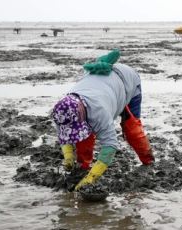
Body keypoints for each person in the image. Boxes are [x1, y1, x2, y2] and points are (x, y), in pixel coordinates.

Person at [51, 49, 155, 191]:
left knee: (132, 129)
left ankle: (148, 162)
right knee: (83, 137)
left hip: (127, 82)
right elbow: (65, 135)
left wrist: (92, 178)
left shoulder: (99, 112)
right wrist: (68, 157)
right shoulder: (62, 112)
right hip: (105, 89)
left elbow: (110, 145)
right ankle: (83, 166)